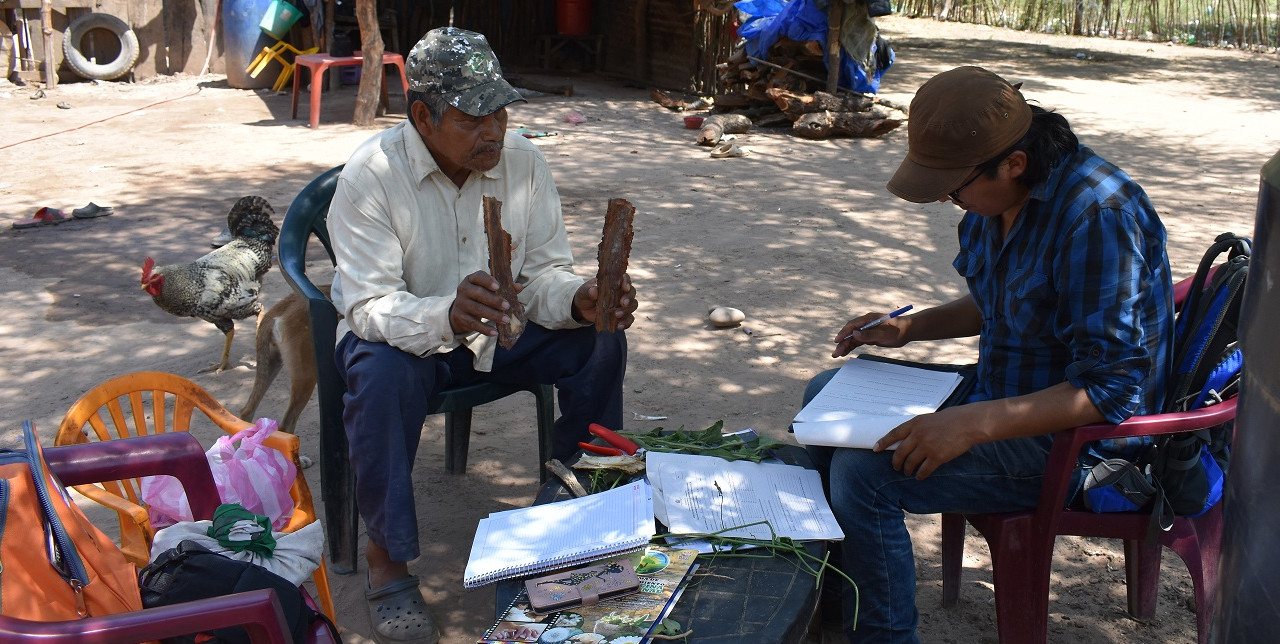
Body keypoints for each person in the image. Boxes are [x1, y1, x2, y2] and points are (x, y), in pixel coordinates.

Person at [805, 66, 1174, 643]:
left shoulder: (1097, 215)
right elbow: (994, 301)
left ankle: (881, 635)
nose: (952, 201)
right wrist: (909, 330)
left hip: (1081, 440)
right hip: (1003, 388)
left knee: (865, 475)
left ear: (1015, 163)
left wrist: (970, 424)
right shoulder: (993, 201)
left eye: (955, 187)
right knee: (823, 399)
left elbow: (1114, 389)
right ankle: (837, 601)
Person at [328, 27, 637, 644]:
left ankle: (574, 509)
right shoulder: (373, 175)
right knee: (381, 375)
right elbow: (369, 305)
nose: (493, 130)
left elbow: (544, 272)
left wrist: (578, 298)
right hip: (408, 345)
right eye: (473, 117)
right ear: (423, 115)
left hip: (503, 334)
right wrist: (446, 313)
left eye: (499, 110)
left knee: (599, 341)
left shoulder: (522, 160)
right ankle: (387, 567)